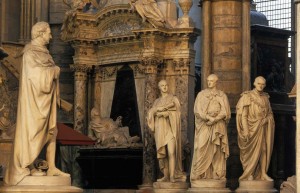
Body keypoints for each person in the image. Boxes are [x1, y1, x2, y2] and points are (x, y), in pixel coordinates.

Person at [4, 22, 69, 186]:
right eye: (49, 33)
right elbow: (34, 77)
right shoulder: (30, 53)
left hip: (47, 100)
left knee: (52, 132)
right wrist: (54, 71)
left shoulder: (45, 53)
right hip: (34, 103)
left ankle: (52, 166)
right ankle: (28, 164)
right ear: (40, 33)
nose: (51, 36)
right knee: (33, 133)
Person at [190, 74, 231, 181]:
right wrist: (208, 117)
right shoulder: (201, 95)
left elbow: (226, 112)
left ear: (216, 82)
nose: (209, 83)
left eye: (212, 81)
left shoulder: (222, 95)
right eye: (208, 81)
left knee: (217, 150)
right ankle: (200, 173)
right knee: (200, 147)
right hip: (204, 124)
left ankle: (216, 174)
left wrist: (215, 119)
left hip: (218, 126)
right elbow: (197, 110)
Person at [236, 76, 275, 181]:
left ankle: (263, 173)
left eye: (263, 84)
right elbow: (243, 116)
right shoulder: (247, 96)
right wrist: (246, 130)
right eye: (259, 84)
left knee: (263, 149)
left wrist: (267, 120)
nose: (261, 86)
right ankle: (249, 173)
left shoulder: (266, 97)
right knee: (250, 152)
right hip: (250, 128)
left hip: (262, 128)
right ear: (254, 83)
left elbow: (270, 114)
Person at [147, 80, 186, 183]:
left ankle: (173, 176)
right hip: (160, 129)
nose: (165, 87)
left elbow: (178, 114)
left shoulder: (173, 99)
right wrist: (156, 112)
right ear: (159, 88)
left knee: (171, 152)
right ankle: (166, 175)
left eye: (166, 85)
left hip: (170, 129)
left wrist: (166, 113)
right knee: (162, 154)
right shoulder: (157, 101)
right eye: (162, 86)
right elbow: (150, 114)